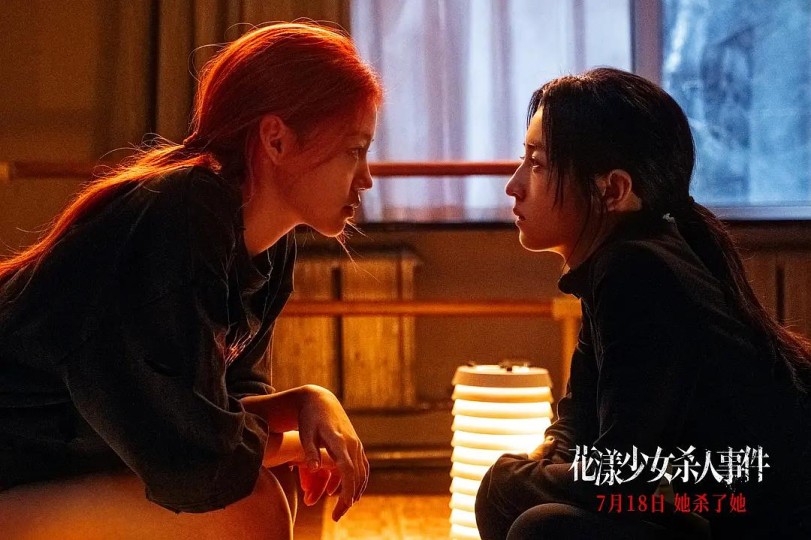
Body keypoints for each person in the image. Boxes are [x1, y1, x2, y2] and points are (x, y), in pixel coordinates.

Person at [0, 22, 381, 539]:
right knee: (254, 506)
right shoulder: (182, 213)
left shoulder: (268, 246)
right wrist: (297, 440)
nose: (367, 178)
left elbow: (214, 409)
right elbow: (195, 460)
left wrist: (309, 402)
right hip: (16, 468)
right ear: (276, 139)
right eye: (354, 150)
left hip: (53, 466)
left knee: (273, 484)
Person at [475, 67, 811, 540]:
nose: (514, 185)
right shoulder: (615, 261)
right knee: (518, 500)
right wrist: (539, 466)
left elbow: (623, 471)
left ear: (612, 190)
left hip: (755, 526)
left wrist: (511, 477)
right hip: (710, 513)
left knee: (536, 521)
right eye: (523, 159)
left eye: (539, 164)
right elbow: (576, 422)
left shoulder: (637, 269)